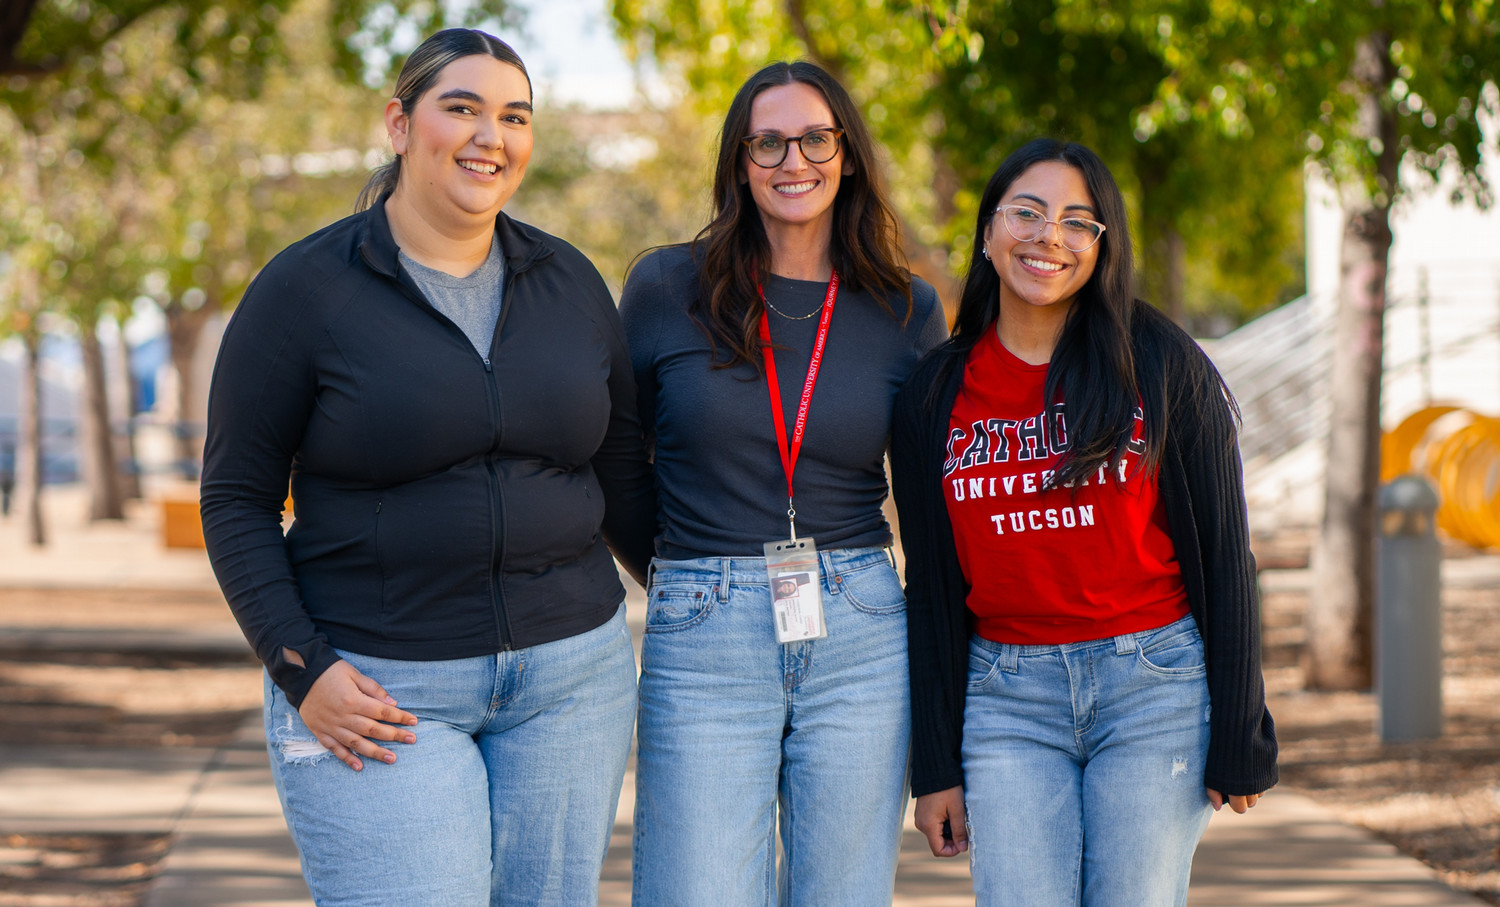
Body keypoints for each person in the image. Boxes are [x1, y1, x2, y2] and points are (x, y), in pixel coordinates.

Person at [199, 28, 654, 906]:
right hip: (380, 690)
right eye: (463, 108)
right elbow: (235, 498)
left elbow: (622, 472)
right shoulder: (305, 290)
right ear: (399, 124)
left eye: (514, 116)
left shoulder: (570, 282)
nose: (492, 136)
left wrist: (701, 590)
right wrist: (302, 667)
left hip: (571, 684)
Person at [890, 138, 1278, 906]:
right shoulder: (934, 394)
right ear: (988, 231)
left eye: (1078, 221)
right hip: (1007, 698)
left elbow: (1230, 558)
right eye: (1027, 213)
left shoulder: (1162, 366)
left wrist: (1242, 731)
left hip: (1152, 689)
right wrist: (934, 764)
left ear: (1102, 248)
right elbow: (931, 585)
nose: (1050, 237)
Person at [620, 60, 947, 905]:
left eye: (814, 138)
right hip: (705, 626)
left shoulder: (906, 307)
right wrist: (685, 566)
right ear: (738, 160)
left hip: (862, 628)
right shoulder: (666, 287)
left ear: (846, 154)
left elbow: (932, 511)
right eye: (767, 140)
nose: (791, 159)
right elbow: (616, 458)